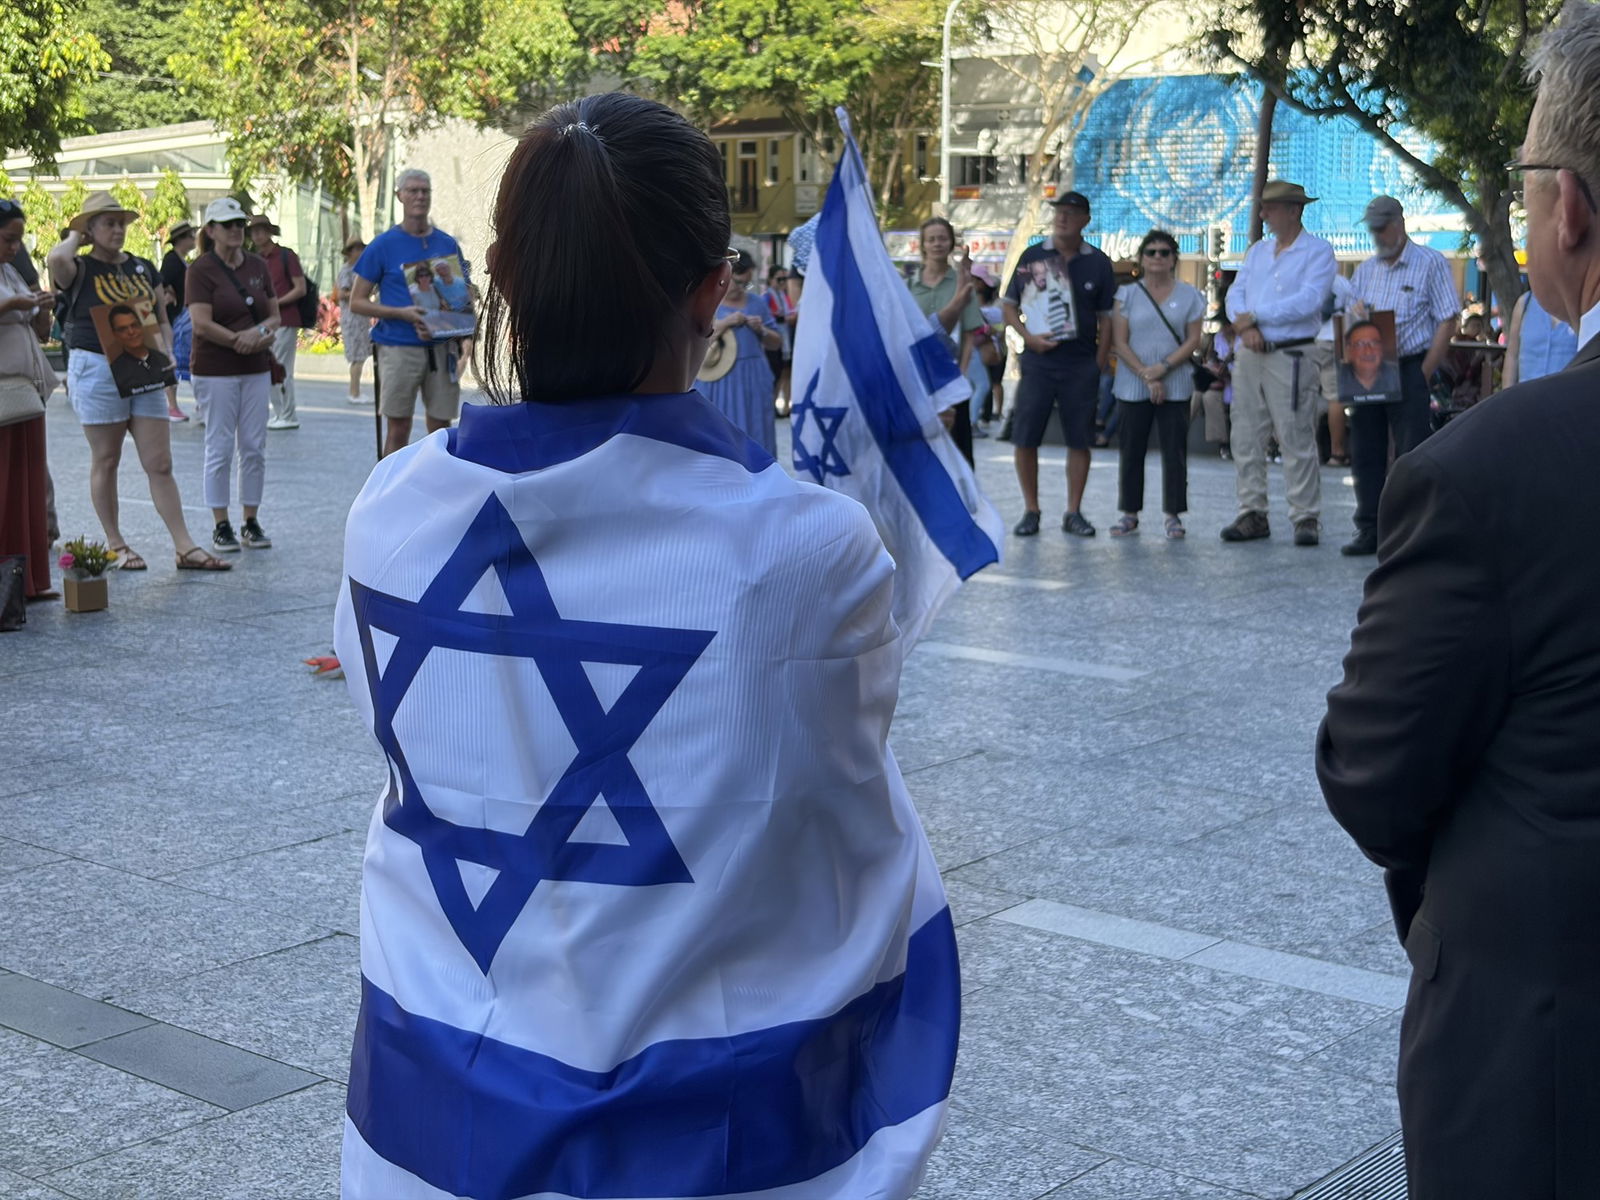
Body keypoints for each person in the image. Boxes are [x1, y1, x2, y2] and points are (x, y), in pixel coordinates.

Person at [332, 91, 956, 1199]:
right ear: (715, 290)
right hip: (709, 1139)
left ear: (502, 277)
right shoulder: (803, 552)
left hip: (433, 1119)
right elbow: (833, 808)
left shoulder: (388, 511)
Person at [1318, 6, 1600, 1194]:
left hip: (1548, 1060)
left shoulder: (1493, 471)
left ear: (1569, 206)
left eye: (1529, 171)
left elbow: (1373, 772)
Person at [45, 191, 230, 573]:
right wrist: (76, 234)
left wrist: (165, 353)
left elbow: (161, 314)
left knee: (159, 462)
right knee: (107, 459)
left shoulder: (143, 266)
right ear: (91, 229)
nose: (117, 230)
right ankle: (116, 543)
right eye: (107, 223)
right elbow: (56, 260)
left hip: (142, 363)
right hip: (97, 366)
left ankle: (184, 546)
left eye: (121, 223)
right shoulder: (78, 267)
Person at [1339, 195, 1461, 556]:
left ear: (1399, 223)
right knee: (1365, 450)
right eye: (1373, 229)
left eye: (1382, 227)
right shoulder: (1365, 270)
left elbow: (1447, 319)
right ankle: (1369, 528)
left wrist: (1424, 371)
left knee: (1412, 453)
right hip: (1371, 366)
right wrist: (1356, 314)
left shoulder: (1430, 263)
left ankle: (1413, 532)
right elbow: (1351, 320)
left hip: (1410, 364)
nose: (1377, 235)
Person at [1221, 179, 1336, 545]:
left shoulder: (1318, 252)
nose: (1263, 213)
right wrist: (1245, 321)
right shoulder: (1257, 251)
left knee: (1295, 432)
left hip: (1291, 352)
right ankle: (1251, 510)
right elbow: (1234, 294)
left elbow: (1309, 301)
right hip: (1251, 352)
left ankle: (1305, 516)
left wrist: (1253, 317)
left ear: (1293, 210)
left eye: (1270, 207)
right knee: (1245, 433)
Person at [1002, 190, 1116, 537]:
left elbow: (1107, 318)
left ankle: (1073, 511)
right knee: (1025, 437)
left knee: (1079, 439)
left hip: (1080, 362)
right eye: (1059, 212)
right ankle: (1031, 510)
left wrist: (1098, 362)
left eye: (1071, 212)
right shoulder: (1033, 255)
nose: (1063, 217)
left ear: (1085, 219)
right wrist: (1028, 337)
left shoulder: (1098, 261)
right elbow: (1008, 306)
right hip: (1038, 359)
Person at [350, 169, 471, 458]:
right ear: (399, 196)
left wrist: (460, 333)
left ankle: (440, 487)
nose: (419, 196)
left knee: (442, 429)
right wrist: (401, 313)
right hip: (398, 347)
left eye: (425, 191)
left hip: (441, 349)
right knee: (399, 427)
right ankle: (390, 496)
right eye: (413, 190)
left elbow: (461, 299)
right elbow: (357, 301)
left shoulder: (447, 244)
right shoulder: (383, 245)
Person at [186, 196, 278, 553]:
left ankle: (251, 520)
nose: (237, 230)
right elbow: (201, 323)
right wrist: (238, 340)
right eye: (228, 225)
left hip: (255, 366)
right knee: (220, 445)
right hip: (216, 368)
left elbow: (274, 316)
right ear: (211, 231)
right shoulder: (200, 270)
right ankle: (220, 523)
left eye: (240, 223)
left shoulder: (257, 265)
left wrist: (259, 337)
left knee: (254, 446)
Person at [1107, 230, 1205, 540]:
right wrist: (1145, 375)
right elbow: (1119, 342)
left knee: (1174, 450)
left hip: (1175, 383)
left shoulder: (1190, 295)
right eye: (1151, 252)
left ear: (1175, 258)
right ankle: (1129, 512)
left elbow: (1193, 340)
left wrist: (1162, 369)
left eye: (1164, 252)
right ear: (1141, 258)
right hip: (1132, 384)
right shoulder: (1126, 295)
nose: (1157, 257)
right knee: (1131, 450)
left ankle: (1173, 514)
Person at [0, 199, 60, 601]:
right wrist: (16, 304)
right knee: (6, 484)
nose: (15, 247)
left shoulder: (11, 272)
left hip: (24, 393)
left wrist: (41, 308)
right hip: (4, 392)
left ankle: (27, 579)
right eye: (9, 239)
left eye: (19, 240)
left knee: (28, 481)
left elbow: (40, 334)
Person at [907, 216, 982, 464]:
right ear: (923, 245)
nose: (937, 244)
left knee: (959, 450)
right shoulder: (908, 286)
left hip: (950, 376)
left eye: (942, 238)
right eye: (931, 239)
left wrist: (962, 373)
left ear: (951, 243)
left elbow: (970, 333)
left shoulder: (962, 284)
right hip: (917, 377)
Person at [700, 249, 780, 454]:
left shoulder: (757, 303)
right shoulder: (707, 301)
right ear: (725, 276)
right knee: (722, 433)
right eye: (739, 282)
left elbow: (777, 343)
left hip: (753, 377)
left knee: (757, 431)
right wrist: (726, 322)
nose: (743, 288)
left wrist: (761, 330)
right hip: (718, 379)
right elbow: (696, 339)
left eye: (748, 283)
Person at [247, 214, 306, 431]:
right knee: (270, 366)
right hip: (264, 322)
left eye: (262, 230)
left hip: (285, 319)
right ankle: (281, 412)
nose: (258, 234)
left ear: (270, 231)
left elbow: (300, 288)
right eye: (254, 231)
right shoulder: (254, 260)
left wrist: (275, 303)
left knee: (282, 366)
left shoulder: (285, 256)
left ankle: (288, 414)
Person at [1501, 287, 1580, 386]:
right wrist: (1508, 396)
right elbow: (1512, 355)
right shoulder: (1525, 303)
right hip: (1527, 395)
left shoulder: (1581, 304)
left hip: (1568, 395)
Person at [159, 220, 195, 422]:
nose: (193, 240)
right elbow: (162, 281)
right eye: (190, 236)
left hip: (180, 317)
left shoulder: (179, 259)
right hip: (175, 318)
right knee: (174, 357)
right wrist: (169, 295)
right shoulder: (172, 260)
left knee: (180, 357)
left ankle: (174, 406)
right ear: (181, 240)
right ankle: (172, 406)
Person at [106, 305, 176, 399]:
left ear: (141, 326)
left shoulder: (161, 359)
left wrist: (169, 351)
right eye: (122, 329)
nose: (131, 332)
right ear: (115, 335)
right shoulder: (116, 368)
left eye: (134, 325)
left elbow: (163, 320)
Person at [334, 238, 373, 405]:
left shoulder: (360, 270)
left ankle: (356, 391)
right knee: (357, 356)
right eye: (357, 249)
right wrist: (360, 295)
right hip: (352, 317)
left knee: (361, 355)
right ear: (350, 252)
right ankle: (354, 392)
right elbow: (342, 294)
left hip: (361, 318)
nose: (361, 252)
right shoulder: (346, 271)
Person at [1334, 319, 1403, 402]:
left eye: (1374, 343)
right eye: (1360, 344)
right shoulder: (1336, 377)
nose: (1368, 351)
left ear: (1381, 348)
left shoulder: (1397, 375)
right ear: (1349, 350)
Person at [762, 263, 795, 416]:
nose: (782, 282)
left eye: (785, 279)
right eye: (779, 279)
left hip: (786, 339)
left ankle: (786, 406)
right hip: (775, 342)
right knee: (775, 375)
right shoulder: (766, 297)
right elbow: (767, 318)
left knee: (786, 373)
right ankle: (772, 405)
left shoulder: (785, 296)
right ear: (770, 280)